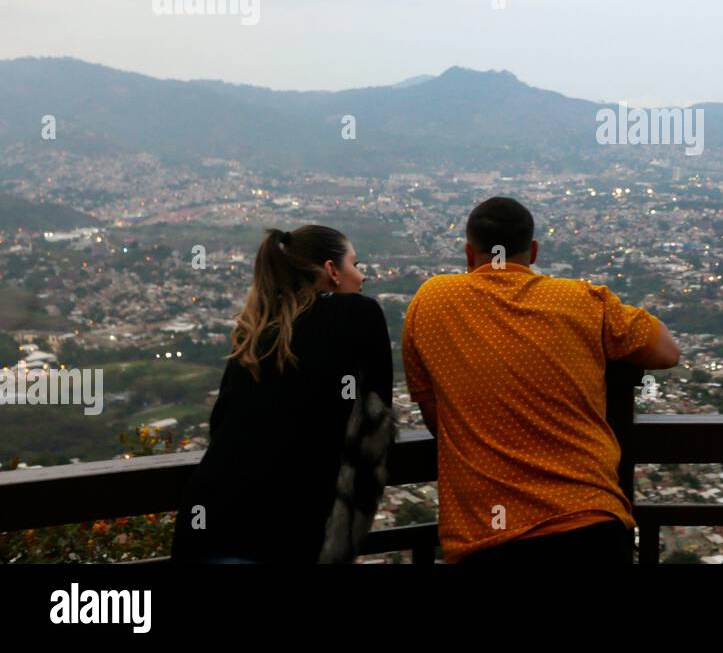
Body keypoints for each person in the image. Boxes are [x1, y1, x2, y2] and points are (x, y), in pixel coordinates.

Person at [402, 196, 681, 565]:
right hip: (590, 524)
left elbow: (437, 419)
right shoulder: (581, 299)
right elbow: (667, 352)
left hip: (485, 535)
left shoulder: (432, 300)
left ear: (469, 254)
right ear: (533, 251)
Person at [170, 225, 395, 563]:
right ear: (332, 271)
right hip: (284, 530)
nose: (361, 277)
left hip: (206, 524)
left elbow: (221, 425)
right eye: (355, 264)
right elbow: (377, 412)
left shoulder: (256, 336)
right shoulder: (357, 313)